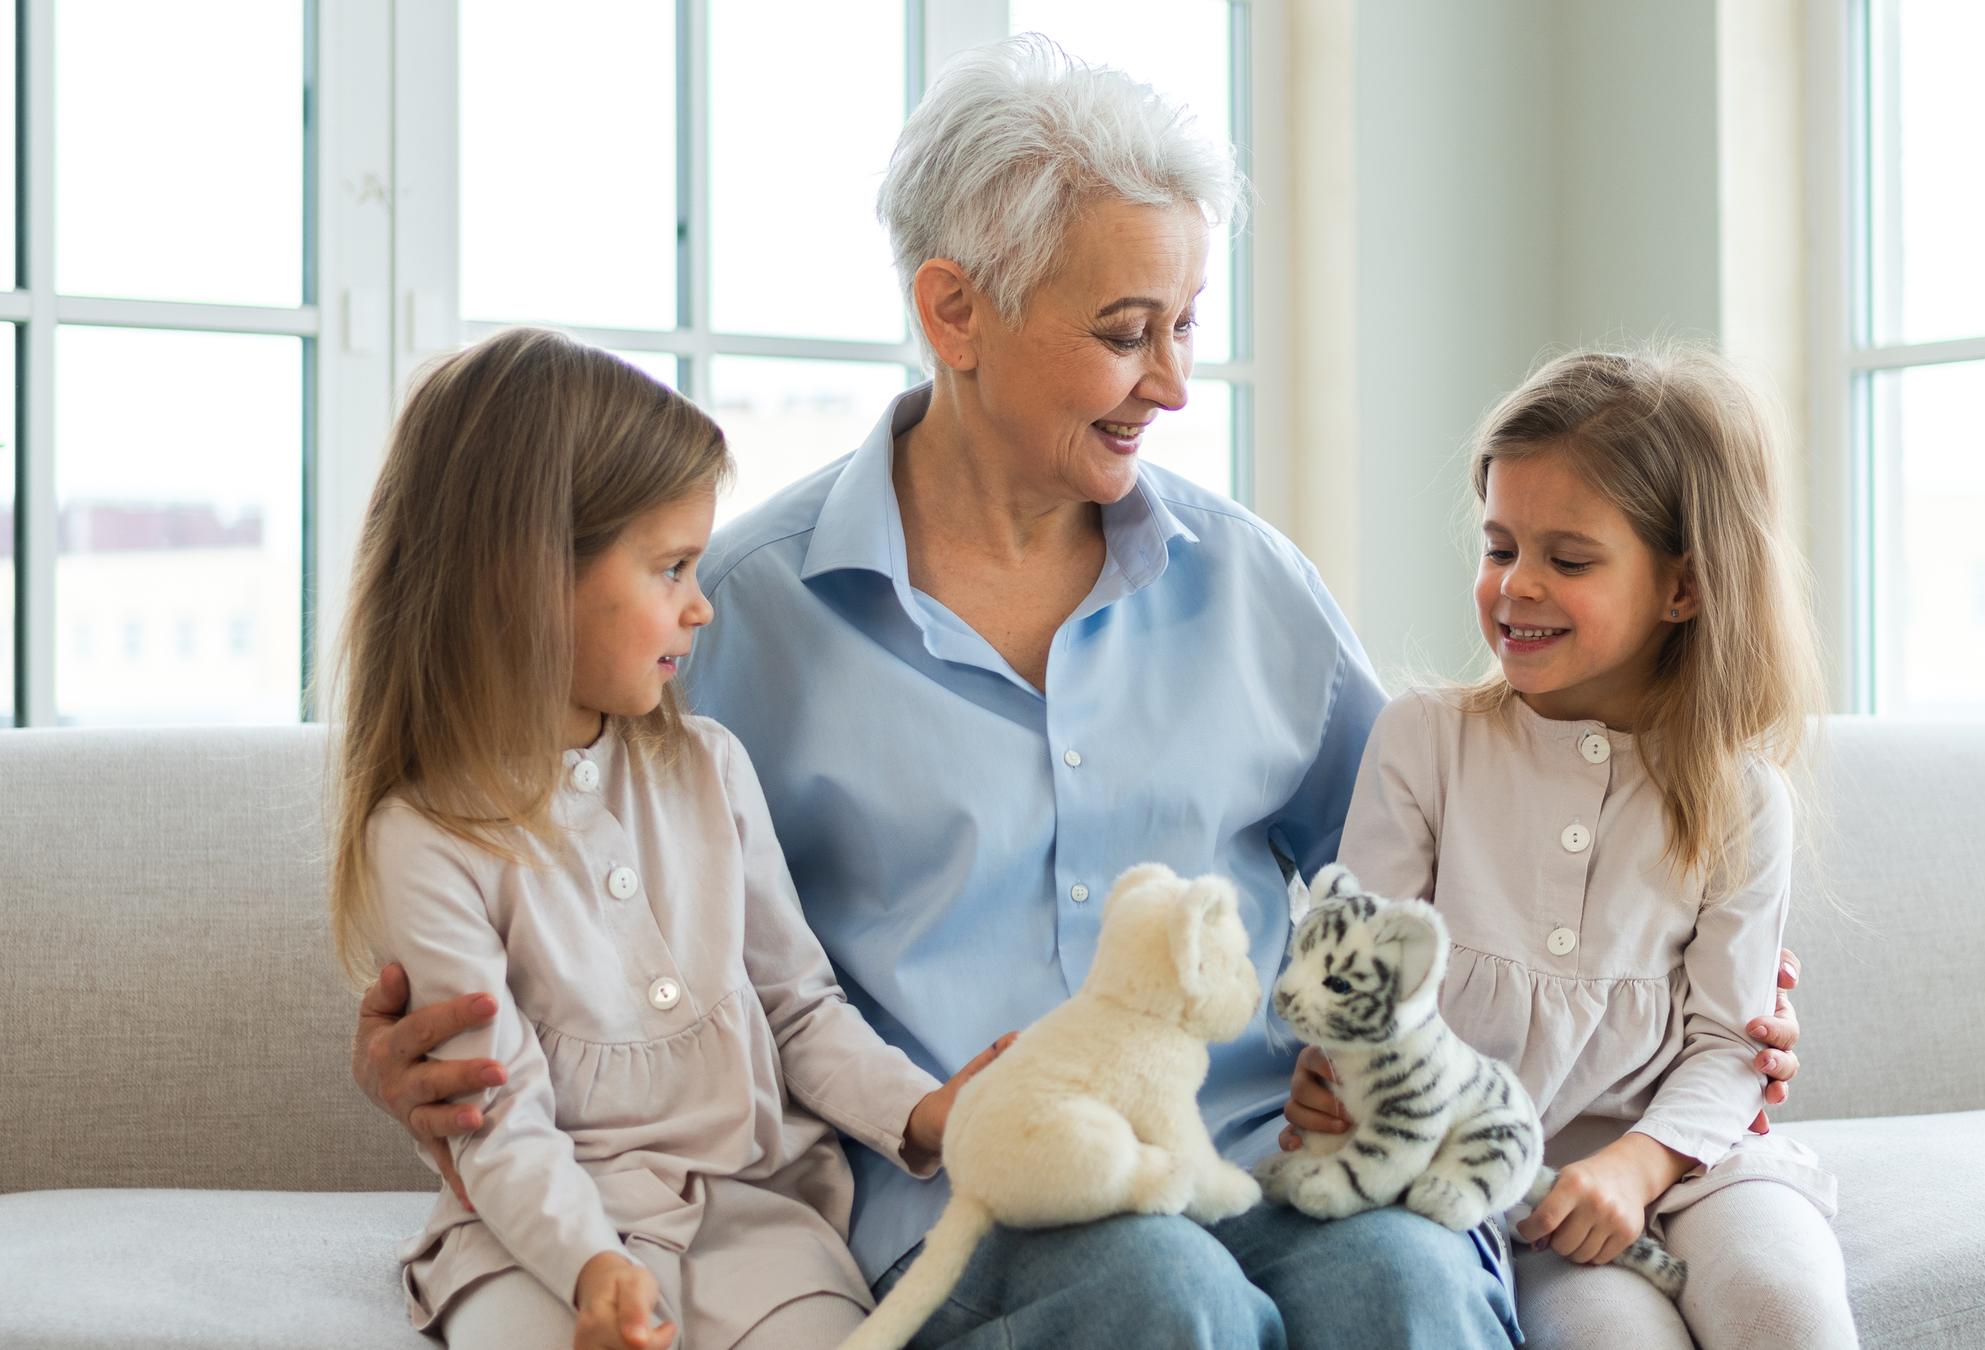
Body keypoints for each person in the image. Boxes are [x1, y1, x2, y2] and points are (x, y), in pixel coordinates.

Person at [350, 40, 1804, 1347]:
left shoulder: (1252, 588)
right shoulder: (735, 614)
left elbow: (1450, 837)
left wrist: (1691, 990)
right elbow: (549, 869)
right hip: (985, 1194)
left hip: (1266, 1152)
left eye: (1187, 324)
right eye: (1125, 329)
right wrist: (411, 1048)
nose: (1172, 382)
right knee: (1162, 1298)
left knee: (1407, 1285)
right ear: (955, 309)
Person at [328, 329, 999, 1350]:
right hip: (532, 1238)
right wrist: (594, 1268)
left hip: (754, 1223)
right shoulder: (426, 837)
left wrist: (926, 1112)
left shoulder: (710, 768)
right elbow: (497, 1114)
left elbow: (798, 1009)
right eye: (673, 567)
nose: (701, 605)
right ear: (523, 578)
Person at [1323, 347, 1856, 1347]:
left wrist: (1640, 1163)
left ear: (1683, 588)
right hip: (1517, 1189)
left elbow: (1730, 1045)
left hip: (1696, 1162)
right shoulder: (1425, 742)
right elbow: (1364, 988)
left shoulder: (1741, 795)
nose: (1515, 586)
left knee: (1784, 1305)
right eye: (1499, 547)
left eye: (1568, 561)